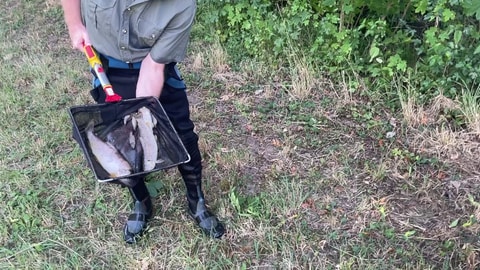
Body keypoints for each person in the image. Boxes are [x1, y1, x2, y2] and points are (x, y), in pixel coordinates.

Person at [60, 0, 225, 243]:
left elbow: (153, 69)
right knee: (121, 147)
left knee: (183, 135)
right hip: (106, 69)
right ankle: (141, 200)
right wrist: (74, 23)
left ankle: (196, 198)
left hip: (153, 70)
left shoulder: (182, 5)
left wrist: (139, 116)